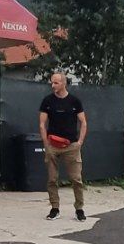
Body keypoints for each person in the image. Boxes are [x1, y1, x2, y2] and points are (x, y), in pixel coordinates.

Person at [38, 70, 88, 221]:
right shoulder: (47, 101)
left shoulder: (74, 101)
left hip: (71, 146)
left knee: (76, 179)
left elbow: (83, 122)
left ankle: (79, 209)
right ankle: (55, 208)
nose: (53, 85)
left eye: (56, 82)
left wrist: (79, 143)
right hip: (52, 145)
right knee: (52, 179)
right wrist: (46, 144)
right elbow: (42, 124)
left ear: (64, 83)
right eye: (52, 82)